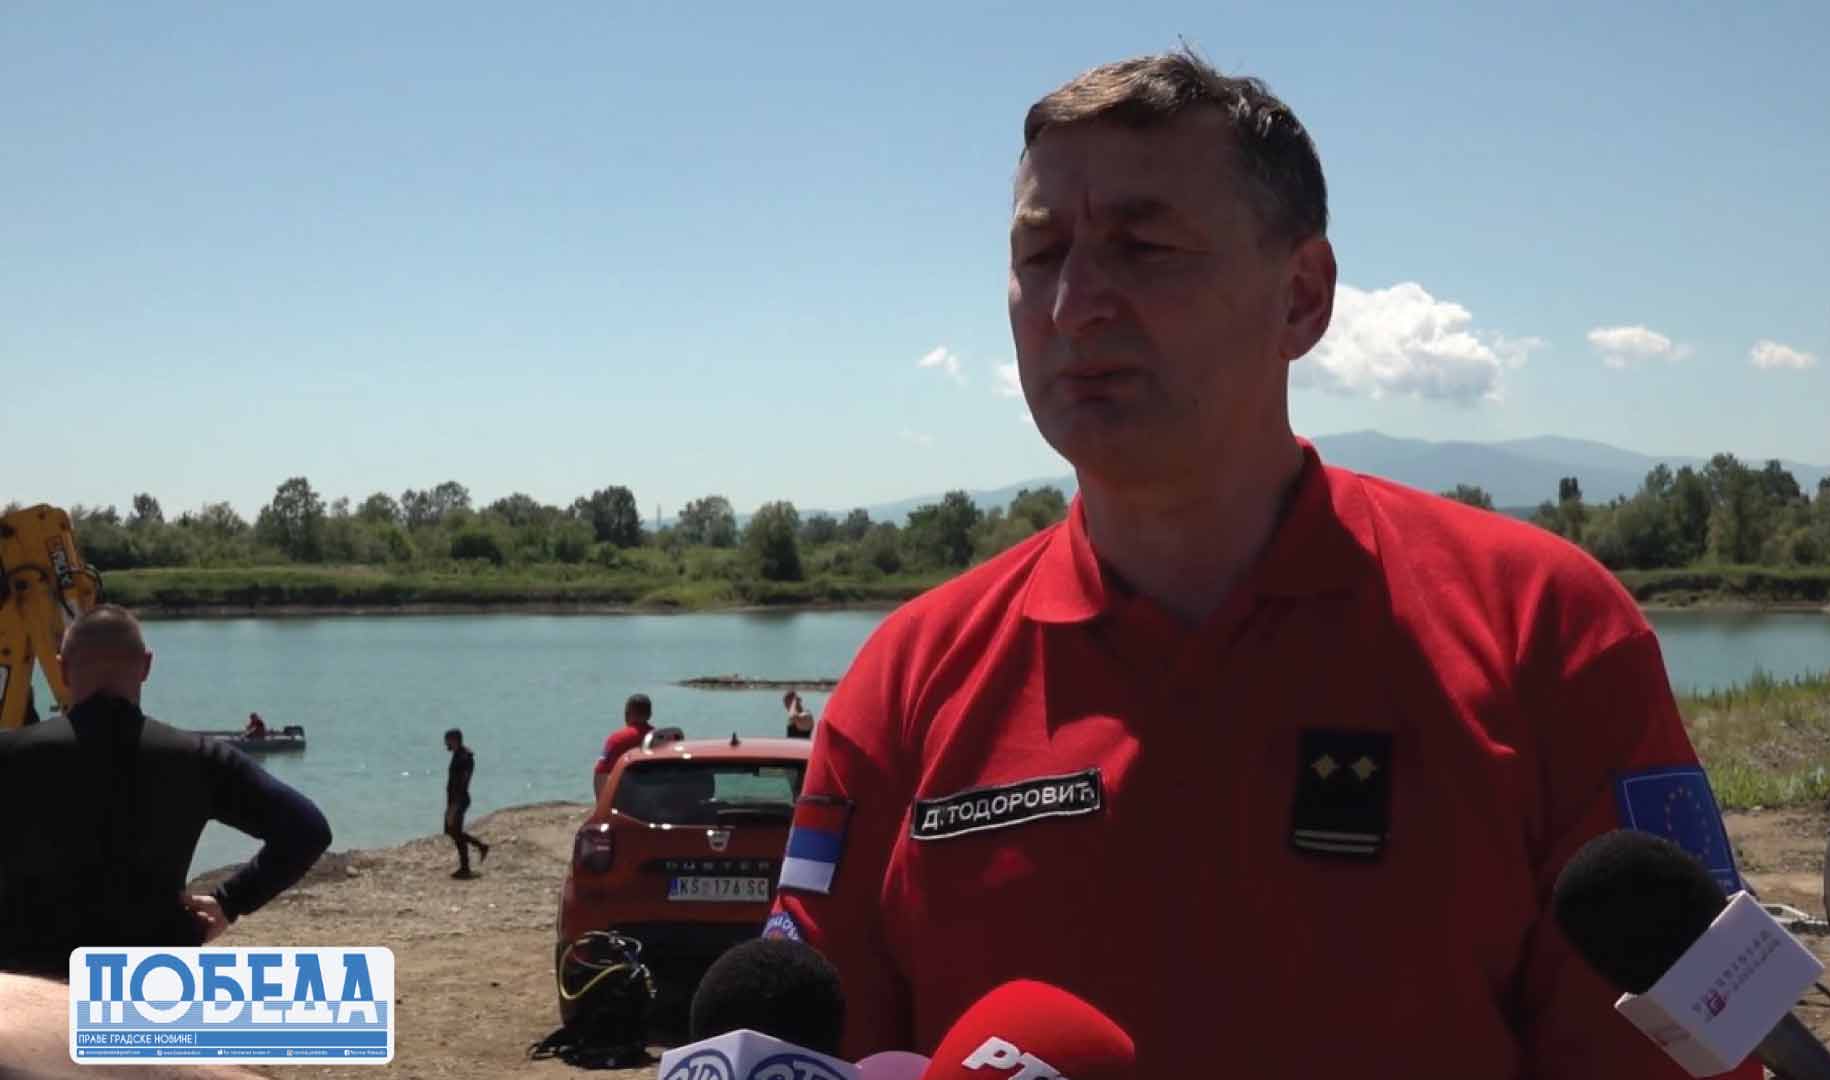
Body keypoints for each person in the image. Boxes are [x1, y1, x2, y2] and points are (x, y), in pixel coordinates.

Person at [763, 49, 1766, 1079]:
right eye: (1041, 253)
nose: (1074, 304)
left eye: (1144, 247)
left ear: (1302, 297)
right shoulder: (904, 685)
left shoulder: (1546, 631)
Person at [0, 604, 332, 973]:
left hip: (28, 977)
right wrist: (230, 901)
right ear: (146, 666)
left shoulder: (11, 754)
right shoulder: (198, 758)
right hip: (153, 974)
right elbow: (307, 829)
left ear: (62, 670)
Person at [443, 727, 489, 878]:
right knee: (452, 831)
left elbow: (462, 782)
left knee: (455, 831)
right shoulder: (459, 754)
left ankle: (466, 866)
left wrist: (454, 805)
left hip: (459, 799)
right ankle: (479, 849)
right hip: (455, 799)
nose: (446, 744)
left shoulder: (464, 757)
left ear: (454, 740)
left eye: (447, 740)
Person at [592, 692, 655, 798]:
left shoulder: (617, 739)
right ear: (650, 715)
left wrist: (602, 804)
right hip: (658, 797)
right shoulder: (662, 738)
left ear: (626, 714)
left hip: (629, 800)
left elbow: (600, 774)